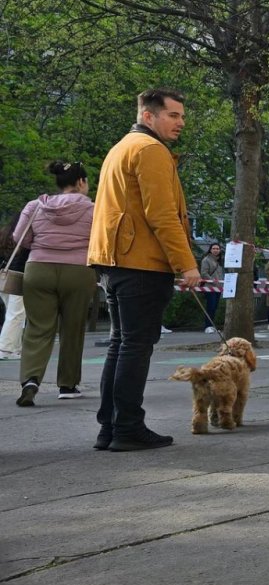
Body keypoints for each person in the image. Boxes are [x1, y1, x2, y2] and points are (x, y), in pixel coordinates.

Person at [90, 88, 202, 451]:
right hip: (141, 263)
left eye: (182, 116)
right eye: (173, 115)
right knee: (135, 346)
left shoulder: (121, 146)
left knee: (121, 344)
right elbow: (162, 215)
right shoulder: (151, 150)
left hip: (115, 260)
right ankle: (126, 428)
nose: (181, 122)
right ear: (149, 115)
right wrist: (186, 263)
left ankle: (111, 427)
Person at [13, 160, 95, 405]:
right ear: (81, 182)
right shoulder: (95, 209)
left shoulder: (35, 206)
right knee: (72, 328)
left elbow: (19, 237)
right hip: (79, 271)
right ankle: (68, 385)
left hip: (38, 269)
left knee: (37, 328)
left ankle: (30, 379)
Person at [0, 217, 30, 360]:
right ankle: (5, 349)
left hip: (4, 278)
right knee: (16, 314)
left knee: (13, 314)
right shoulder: (25, 238)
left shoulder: (5, 235)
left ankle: (15, 348)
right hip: (18, 277)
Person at [199, 243, 223, 332]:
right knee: (210, 306)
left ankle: (212, 326)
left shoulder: (219, 261)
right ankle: (207, 326)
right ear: (210, 250)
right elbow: (204, 273)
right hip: (209, 287)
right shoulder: (206, 260)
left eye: (217, 248)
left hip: (218, 287)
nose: (216, 250)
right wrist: (212, 280)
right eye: (214, 248)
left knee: (215, 307)